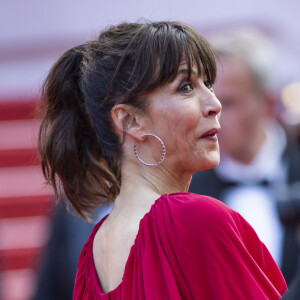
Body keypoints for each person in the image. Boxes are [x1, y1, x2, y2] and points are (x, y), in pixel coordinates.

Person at [38, 21, 287, 299]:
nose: (214, 103)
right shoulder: (196, 220)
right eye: (185, 87)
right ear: (131, 120)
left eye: (207, 83)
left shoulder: (94, 249)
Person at [188, 28, 300, 287]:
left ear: (268, 105)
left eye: (228, 102)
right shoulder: (184, 193)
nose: (211, 116)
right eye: (202, 102)